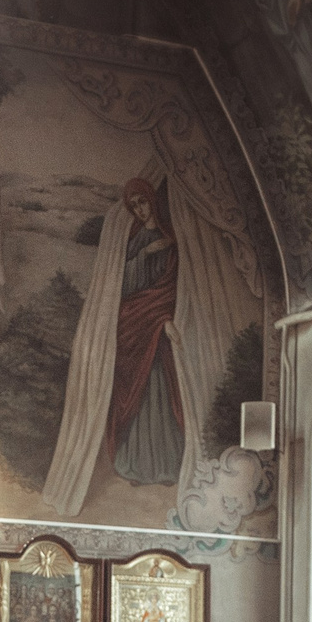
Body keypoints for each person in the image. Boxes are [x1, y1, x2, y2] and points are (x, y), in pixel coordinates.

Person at [106, 178, 183, 486]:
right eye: (134, 205)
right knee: (138, 392)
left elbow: (171, 285)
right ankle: (136, 464)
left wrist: (163, 316)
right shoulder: (137, 241)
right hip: (135, 321)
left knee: (159, 386)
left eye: (143, 202)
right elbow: (124, 284)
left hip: (156, 319)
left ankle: (165, 466)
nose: (140, 209)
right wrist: (146, 253)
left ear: (153, 200)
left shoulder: (170, 239)